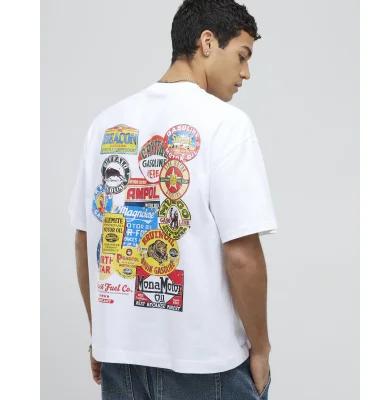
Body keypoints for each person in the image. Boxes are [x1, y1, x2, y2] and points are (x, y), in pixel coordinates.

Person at [69, 0, 278, 398]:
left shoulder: (105, 124)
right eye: (242, 56)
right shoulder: (226, 124)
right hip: (206, 364)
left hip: (121, 362)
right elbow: (242, 254)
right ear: (207, 42)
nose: (245, 73)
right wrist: (262, 348)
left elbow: (85, 240)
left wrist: (101, 334)